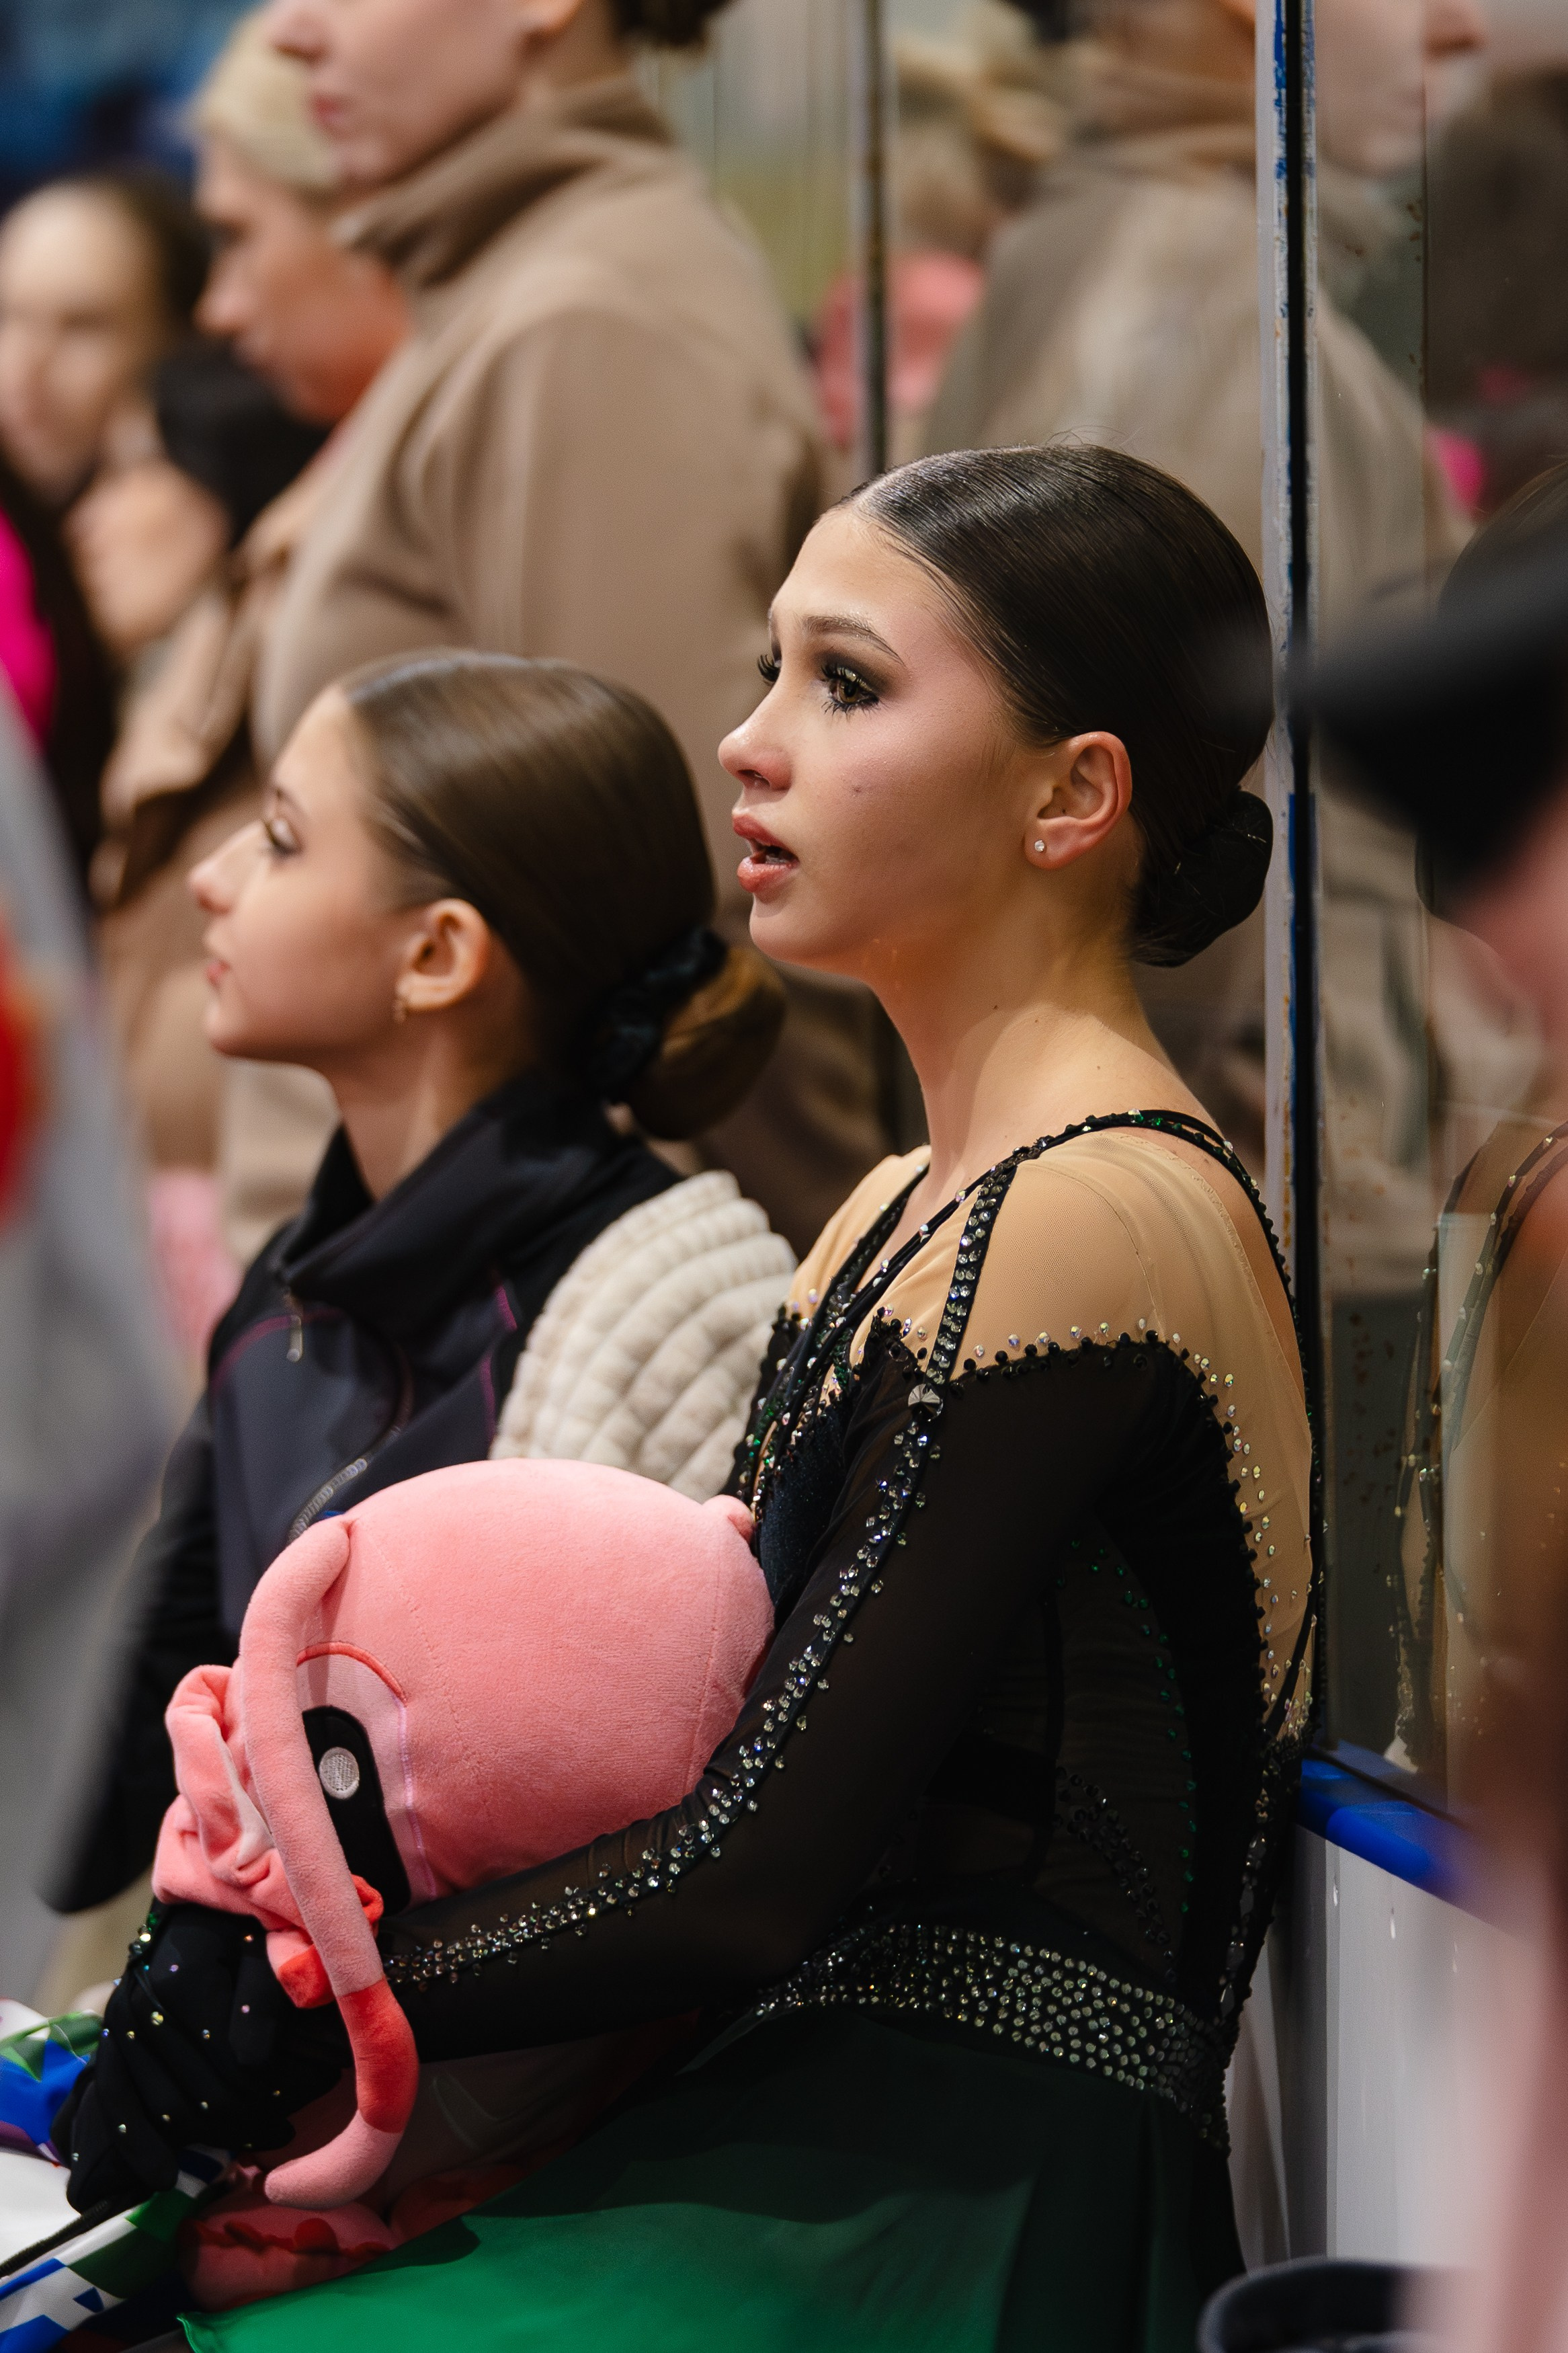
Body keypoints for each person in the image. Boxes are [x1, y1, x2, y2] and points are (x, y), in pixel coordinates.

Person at [67, 446, 1313, 2353]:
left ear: (1073, 794)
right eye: (768, 670)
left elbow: (754, 1871)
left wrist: (311, 1979)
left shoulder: (1094, 1204)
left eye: (845, 683)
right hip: (769, 2111)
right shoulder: (898, 1210)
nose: (745, 742)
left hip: (969, 2168)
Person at [48, 650, 793, 1941]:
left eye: (280, 841)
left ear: (438, 955)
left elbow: (628, 1886)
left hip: (494, 2104)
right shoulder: (291, 1291)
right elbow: (85, 1816)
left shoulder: (667, 1310)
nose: (212, 879)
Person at [256, 0, 882, 1257]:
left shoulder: (586, 318)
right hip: (421, 1278)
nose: (289, 30)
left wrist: (802, 1336)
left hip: (495, 1318)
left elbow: (696, 928)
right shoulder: (515, 293)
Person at [95, 15, 410, 1378]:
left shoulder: (396, 469)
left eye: (240, 236)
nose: (219, 310)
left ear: (359, 218)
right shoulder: (303, 497)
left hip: (330, 1242)